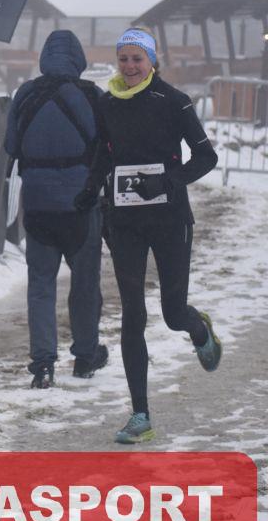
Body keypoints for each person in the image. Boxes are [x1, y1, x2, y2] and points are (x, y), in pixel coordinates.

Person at [74, 28, 221, 444]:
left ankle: (198, 329)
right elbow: (104, 152)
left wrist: (168, 181)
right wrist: (90, 189)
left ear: (152, 61)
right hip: (124, 222)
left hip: (170, 220)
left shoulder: (174, 101)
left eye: (137, 59)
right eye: (123, 59)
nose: (130, 66)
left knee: (172, 314)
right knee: (132, 315)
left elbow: (206, 156)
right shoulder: (106, 103)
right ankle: (140, 415)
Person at [5, 30, 109, 389]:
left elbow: (11, 145)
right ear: (79, 60)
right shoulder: (92, 96)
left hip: (37, 205)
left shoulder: (25, 95)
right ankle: (85, 356)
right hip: (82, 206)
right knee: (85, 285)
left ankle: (43, 364)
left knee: (40, 286)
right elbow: (106, 148)